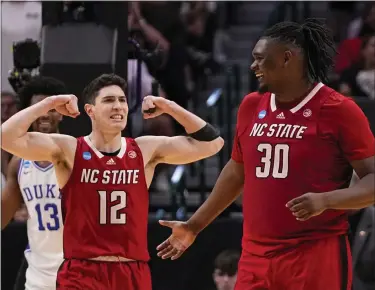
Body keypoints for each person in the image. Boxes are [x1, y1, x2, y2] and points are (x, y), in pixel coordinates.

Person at [156, 19, 375, 290]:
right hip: (255, 256)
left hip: (314, 254)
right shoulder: (251, 105)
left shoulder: (339, 110)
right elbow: (237, 172)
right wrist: (193, 225)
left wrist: (327, 200)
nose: (253, 66)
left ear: (286, 58)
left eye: (260, 59)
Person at [1, 73, 224, 289]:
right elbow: (6, 137)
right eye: (109, 100)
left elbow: (213, 143)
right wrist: (49, 103)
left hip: (131, 271)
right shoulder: (70, 149)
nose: (118, 106)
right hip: (81, 271)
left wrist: (169, 107)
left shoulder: (144, 149)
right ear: (90, 110)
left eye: (122, 100)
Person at [1, 76, 68, 290]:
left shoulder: (76, 154)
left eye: (52, 108)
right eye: (39, 108)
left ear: (62, 114)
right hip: (37, 275)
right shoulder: (19, 163)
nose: (46, 114)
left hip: (74, 271)